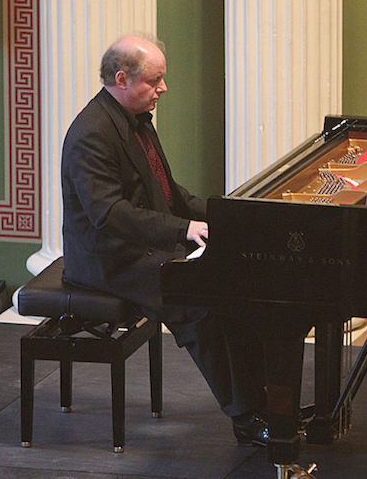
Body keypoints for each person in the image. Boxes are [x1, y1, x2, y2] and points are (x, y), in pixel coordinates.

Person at [60, 34, 268, 446]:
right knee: (199, 306)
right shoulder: (92, 133)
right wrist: (183, 230)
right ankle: (246, 418)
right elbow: (109, 215)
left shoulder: (134, 120)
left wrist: (228, 216)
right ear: (122, 78)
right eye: (155, 80)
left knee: (238, 285)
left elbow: (169, 192)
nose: (164, 89)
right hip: (109, 260)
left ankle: (265, 401)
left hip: (144, 246)